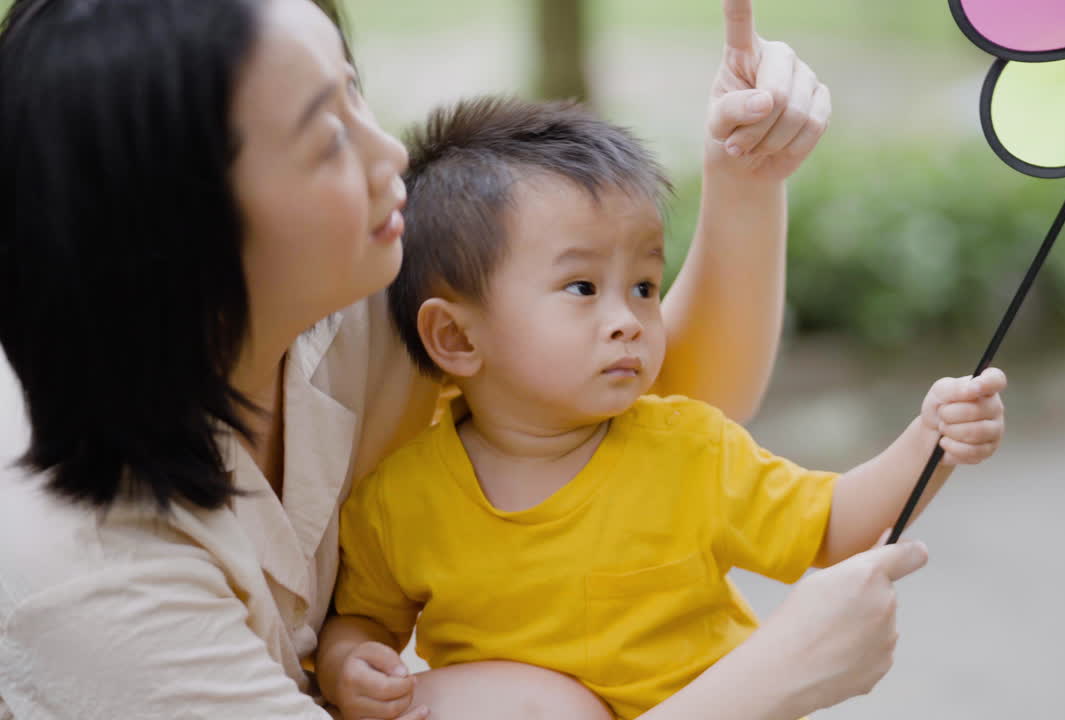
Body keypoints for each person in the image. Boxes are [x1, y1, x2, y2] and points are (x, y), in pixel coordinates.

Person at [0, 0, 934, 718]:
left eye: (355, 92)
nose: (387, 155)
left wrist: (745, 182)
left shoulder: (349, 288)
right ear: (177, 221)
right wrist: (768, 682)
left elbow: (644, 409)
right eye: (326, 135)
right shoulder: (76, 568)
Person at [315, 96, 1007, 720]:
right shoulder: (401, 499)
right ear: (458, 337)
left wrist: (929, 441)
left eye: (645, 286)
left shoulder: (689, 448)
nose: (629, 319)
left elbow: (832, 527)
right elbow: (364, 619)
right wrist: (352, 664)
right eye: (583, 287)